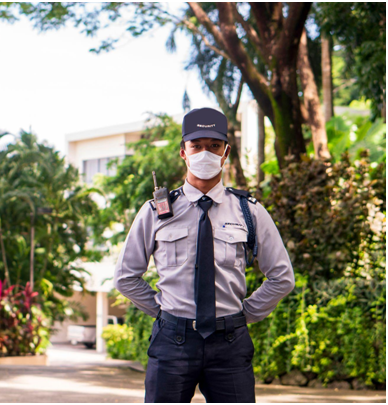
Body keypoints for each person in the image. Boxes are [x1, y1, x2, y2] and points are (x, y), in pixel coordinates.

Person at [114, 107, 295, 403]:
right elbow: (125, 276)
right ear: (183, 153)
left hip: (230, 345)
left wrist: (245, 314)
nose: (205, 153)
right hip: (172, 343)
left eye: (214, 146)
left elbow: (282, 277)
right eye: (196, 146)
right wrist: (163, 312)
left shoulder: (249, 211)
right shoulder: (156, 212)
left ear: (226, 153)